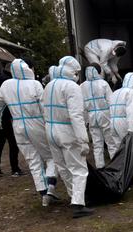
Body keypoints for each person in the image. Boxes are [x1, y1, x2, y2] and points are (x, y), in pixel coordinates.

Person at [0, 58, 58, 205]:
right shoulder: (35, 84)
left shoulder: (6, 85)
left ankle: (43, 194)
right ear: (28, 69)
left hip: (18, 125)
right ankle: (51, 186)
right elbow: (44, 106)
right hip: (37, 123)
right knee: (51, 155)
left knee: (33, 160)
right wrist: (51, 123)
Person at [43, 57, 93, 219]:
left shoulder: (49, 85)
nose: (78, 75)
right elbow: (76, 115)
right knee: (78, 169)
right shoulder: (72, 87)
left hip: (50, 130)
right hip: (67, 132)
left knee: (63, 167)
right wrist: (83, 140)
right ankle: (78, 204)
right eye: (77, 72)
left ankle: (75, 198)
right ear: (73, 71)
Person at [80, 63, 115, 168]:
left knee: (97, 144)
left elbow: (81, 106)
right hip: (105, 115)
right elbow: (111, 101)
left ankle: (100, 167)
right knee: (111, 143)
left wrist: (85, 121)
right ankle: (114, 166)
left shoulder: (82, 86)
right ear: (99, 72)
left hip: (91, 117)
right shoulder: (103, 84)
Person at [0, 67, 21, 177]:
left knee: (0, 142)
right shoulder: (8, 84)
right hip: (7, 117)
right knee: (13, 143)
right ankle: (15, 169)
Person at [110, 72, 133, 152]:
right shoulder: (132, 93)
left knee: (117, 149)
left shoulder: (115, 92)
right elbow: (131, 111)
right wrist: (132, 129)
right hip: (123, 123)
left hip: (112, 123)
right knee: (127, 149)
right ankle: (126, 164)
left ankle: (116, 164)